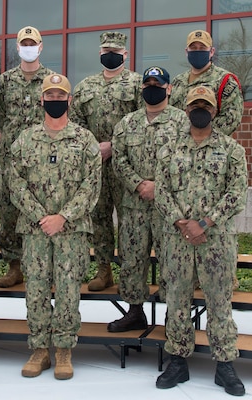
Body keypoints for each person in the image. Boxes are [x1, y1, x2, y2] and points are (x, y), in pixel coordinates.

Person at [154, 86, 246, 397]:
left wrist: (205, 223)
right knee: (177, 302)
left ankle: (224, 364)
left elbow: (237, 192)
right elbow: (162, 191)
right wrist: (183, 223)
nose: (200, 109)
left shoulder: (231, 149)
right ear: (187, 108)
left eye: (205, 105)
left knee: (219, 303)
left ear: (215, 110)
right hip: (178, 239)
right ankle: (178, 360)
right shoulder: (170, 149)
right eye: (195, 104)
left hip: (215, 240)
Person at [10, 74, 101, 380]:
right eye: (49, 96)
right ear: (41, 100)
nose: (54, 100)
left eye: (60, 95)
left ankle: (63, 350)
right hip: (35, 230)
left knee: (67, 291)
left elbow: (92, 186)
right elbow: (15, 182)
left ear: (69, 100)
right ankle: (39, 349)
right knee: (35, 290)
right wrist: (40, 215)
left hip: (71, 231)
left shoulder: (84, 139)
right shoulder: (26, 138)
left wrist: (63, 216)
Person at [109, 67, 188, 332]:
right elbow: (118, 160)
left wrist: (159, 186)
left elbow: (187, 160)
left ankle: (172, 316)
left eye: (158, 84)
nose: (152, 87)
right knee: (132, 259)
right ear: (141, 89)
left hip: (170, 208)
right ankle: (134, 312)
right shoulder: (127, 123)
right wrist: (139, 184)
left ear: (168, 88)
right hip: (134, 205)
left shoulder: (182, 122)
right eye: (148, 84)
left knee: (171, 260)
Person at [69, 31, 142, 291]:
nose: (110, 55)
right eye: (106, 52)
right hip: (96, 165)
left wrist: (114, 145)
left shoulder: (137, 84)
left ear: (125, 54)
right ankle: (103, 270)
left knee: (128, 221)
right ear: (100, 54)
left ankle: (130, 272)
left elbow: (143, 123)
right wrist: (93, 148)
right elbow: (75, 124)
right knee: (99, 219)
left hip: (126, 164)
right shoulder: (86, 86)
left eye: (116, 51)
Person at [0, 26, 56, 288]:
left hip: (42, 161)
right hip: (12, 160)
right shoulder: (4, 81)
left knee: (43, 212)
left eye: (33, 43)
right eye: (24, 43)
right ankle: (14, 265)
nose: (28, 47)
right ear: (17, 48)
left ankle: (46, 268)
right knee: (9, 214)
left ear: (40, 47)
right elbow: (2, 116)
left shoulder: (52, 80)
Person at [169, 30, 243, 137]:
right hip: (179, 147)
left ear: (212, 51)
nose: (197, 51)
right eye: (193, 48)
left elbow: (231, 119)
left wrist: (199, 136)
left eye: (202, 48)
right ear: (186, 51)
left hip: (211, 148)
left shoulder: (225, 80)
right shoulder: (178, 81)